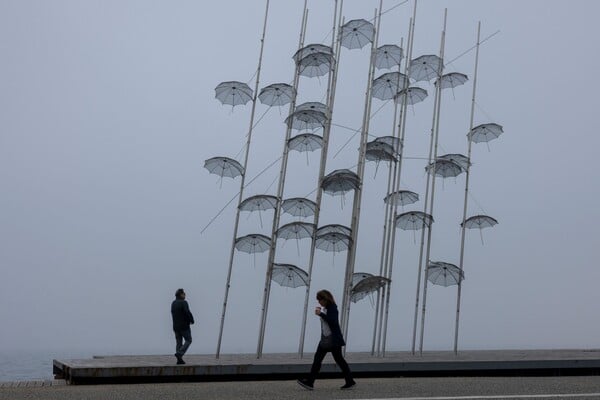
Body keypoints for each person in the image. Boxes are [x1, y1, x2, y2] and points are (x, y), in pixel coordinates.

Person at [297, 289, 356, 390]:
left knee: (338, 360)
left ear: (325, 299)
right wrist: (321, 313)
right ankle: (310, 382)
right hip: (325, 339)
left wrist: (320, 314)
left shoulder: (332, 308)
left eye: (320, 300)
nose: (319, 302)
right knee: (320, 360)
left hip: (333, 340)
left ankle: (349, 381)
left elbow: (333, 322)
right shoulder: (327, 308)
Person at [171, 288, 194, 364]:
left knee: (179, 343)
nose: (185, 295)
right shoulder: (184, 302)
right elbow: (187, 312)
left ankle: (179, 360)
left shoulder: (173, 303)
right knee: (189, 340)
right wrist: (191, 320)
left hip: (175, 326)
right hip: (184, 326)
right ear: (181, 295)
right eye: (184, 293)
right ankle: (180, 353)